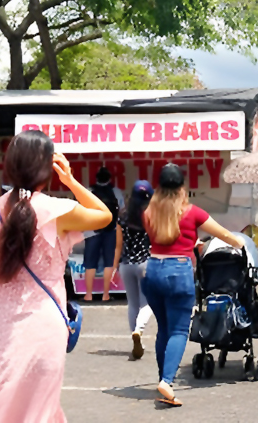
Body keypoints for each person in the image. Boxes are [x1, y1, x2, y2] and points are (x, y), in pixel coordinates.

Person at [0, 131, 113, 422]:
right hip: (45, 322)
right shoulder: (58, 210)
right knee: (40, 410)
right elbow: (105, 215)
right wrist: (70, 180)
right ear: (48, 167)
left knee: (2, 405)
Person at [143, 163, 245, 407]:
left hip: (153, 270)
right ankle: (167, 381)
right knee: (179, 330)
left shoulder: (148, 212)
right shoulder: (192, 212)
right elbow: (222, 233)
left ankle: (162, 379)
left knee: (164, 330)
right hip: (178, 272)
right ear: (182, 187)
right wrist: (240, 244)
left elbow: (163, 237)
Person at [117, 180, 154, 360]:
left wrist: (115, 264)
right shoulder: (150, 215)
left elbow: (118, 245)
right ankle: (139, 330)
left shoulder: (122, 215)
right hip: (145, 263)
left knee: (132, 303)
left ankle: (135, 335)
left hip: (126, 264)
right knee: (147, 303)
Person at [84, 166, 124, 301]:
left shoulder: (89, 191)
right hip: (110, 230)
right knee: (109, 262)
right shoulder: (116, 192)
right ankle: (105, 295)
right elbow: (122, 210)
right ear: (110, 178)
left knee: (90, 263)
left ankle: (88, 295)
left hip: (91, 231)